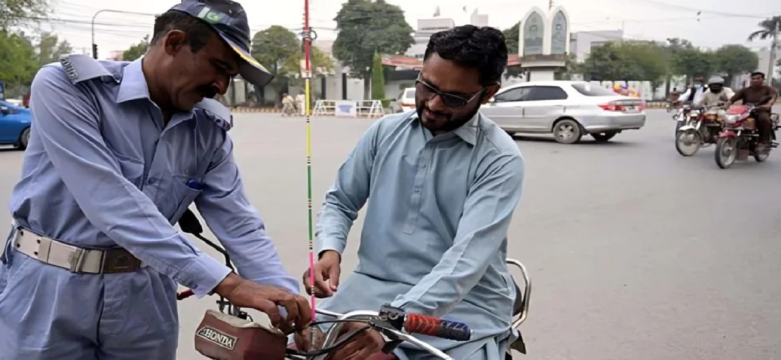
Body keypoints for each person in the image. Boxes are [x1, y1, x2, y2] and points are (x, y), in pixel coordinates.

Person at [0, 1, 312, 359]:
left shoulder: (207, 132)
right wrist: (227, 283)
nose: (222, 86)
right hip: (47, 289)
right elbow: (110, 202)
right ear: (174, 42)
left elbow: (240, 226)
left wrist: (288, 305)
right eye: (219, 67)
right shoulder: (71, 88)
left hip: (143, 300)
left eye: (231, 76)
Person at [303, 25, 524, 360]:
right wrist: (329, 250)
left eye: (453, 98)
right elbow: (340, 201)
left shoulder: (499, 159)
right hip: (371, 287)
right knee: (298, 346)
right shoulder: (384, 132)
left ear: (487, 93)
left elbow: (465, 262)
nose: (433, 104)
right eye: (427, 86)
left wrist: (391, 322)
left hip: (465, 303)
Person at [729, 71, 779, 149]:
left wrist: (768, 105)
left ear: (762, 79)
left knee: (764, 119)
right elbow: (732, 99)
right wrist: (726, 105)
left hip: (761, 110)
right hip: (746, 111)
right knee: (732, 118)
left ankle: (763, 141)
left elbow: (773, 97)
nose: (755, 80)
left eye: (758, 78)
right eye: (753, 79)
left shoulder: (768, 89)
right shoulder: (745, 90)